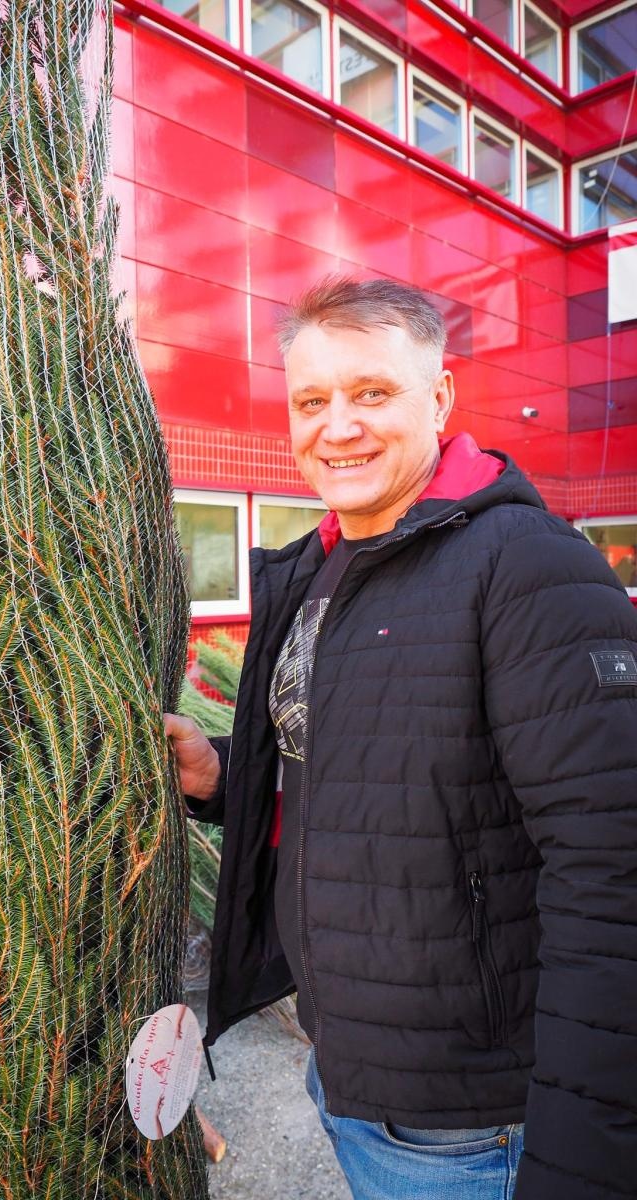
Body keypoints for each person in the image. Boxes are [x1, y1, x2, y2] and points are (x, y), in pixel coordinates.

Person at [165, 278, 637, 1200]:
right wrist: (224, 773)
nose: (337, 425)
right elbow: (365, 765)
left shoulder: (529, 568)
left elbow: (613, 872)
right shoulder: (320, 567)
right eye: (312, 400)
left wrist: (580, 1159)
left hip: (476, 1130)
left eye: (371, 393)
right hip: (352, 1084)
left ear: (441, 398)